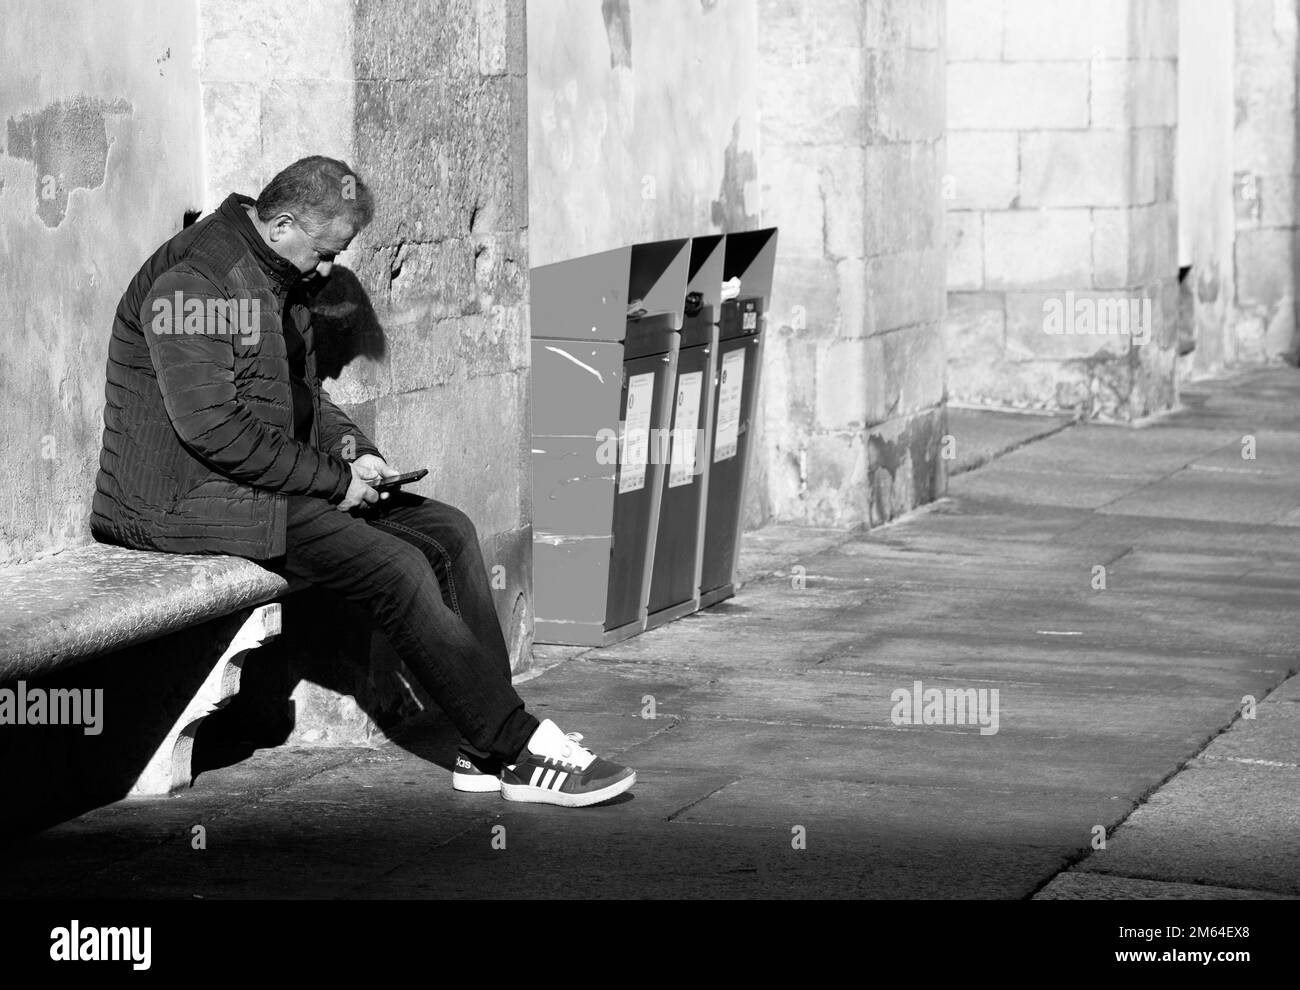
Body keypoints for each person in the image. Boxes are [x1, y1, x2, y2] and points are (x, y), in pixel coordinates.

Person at [90, 155, 634, 808]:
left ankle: (487, 742)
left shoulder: (275, 275)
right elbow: (214, 432)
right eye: (323, 255)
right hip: (178, 500)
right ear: (284, 222)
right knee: (395, 568)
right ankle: (518, 748)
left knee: (448, 530)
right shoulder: (194, 285)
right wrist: (332, 480)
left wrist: (356, 453)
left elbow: (298, 397)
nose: (326, 272)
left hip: (251, 488)